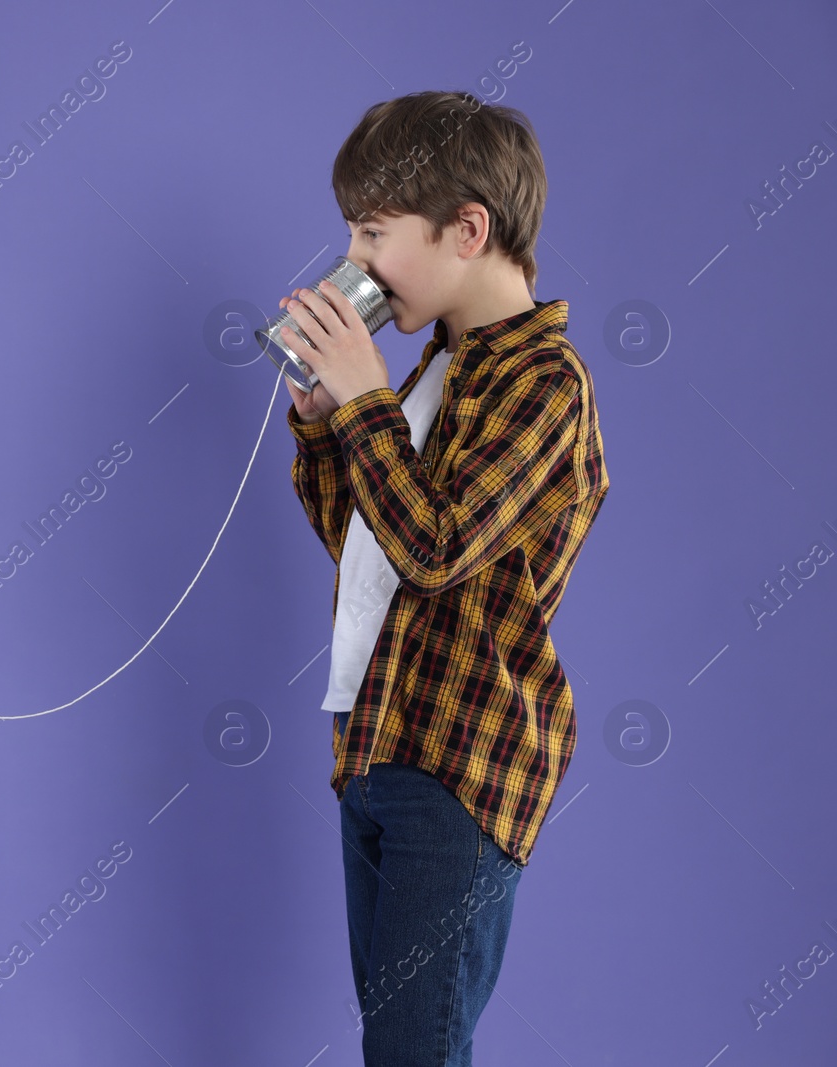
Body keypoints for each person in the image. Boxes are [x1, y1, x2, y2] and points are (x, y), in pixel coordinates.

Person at [278, 90, 609, 1063]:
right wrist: (321, 418)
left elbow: (435, 546)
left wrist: (366, 401)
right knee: (401, 1040)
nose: (353, 257)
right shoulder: (432, 372)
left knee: (413, 1047)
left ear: (468, 229)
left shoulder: (545, 384)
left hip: (459, 766)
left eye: (372, 229)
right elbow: (364, 539)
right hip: (375, 744)